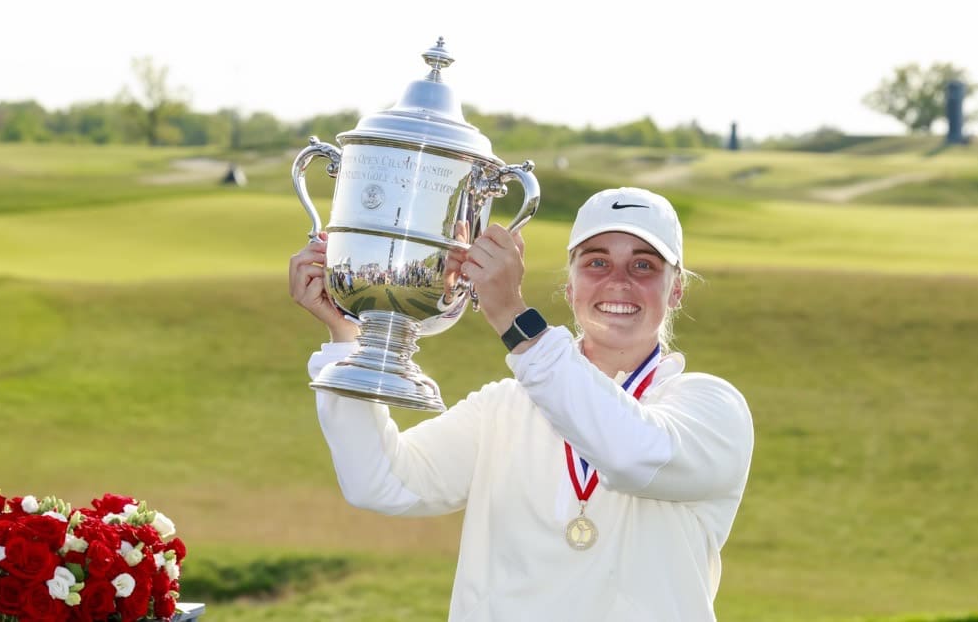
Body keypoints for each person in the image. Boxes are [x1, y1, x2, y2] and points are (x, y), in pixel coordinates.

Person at [288, 186, 754, 621]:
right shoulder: (506, 407)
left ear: (676, 290)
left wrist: (513, 316)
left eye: (644, 266)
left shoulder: (712, 407)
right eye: (596, 263)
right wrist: (349, 341)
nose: (618, 282)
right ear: (569, 286)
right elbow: (380, 482)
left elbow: (633, 454)